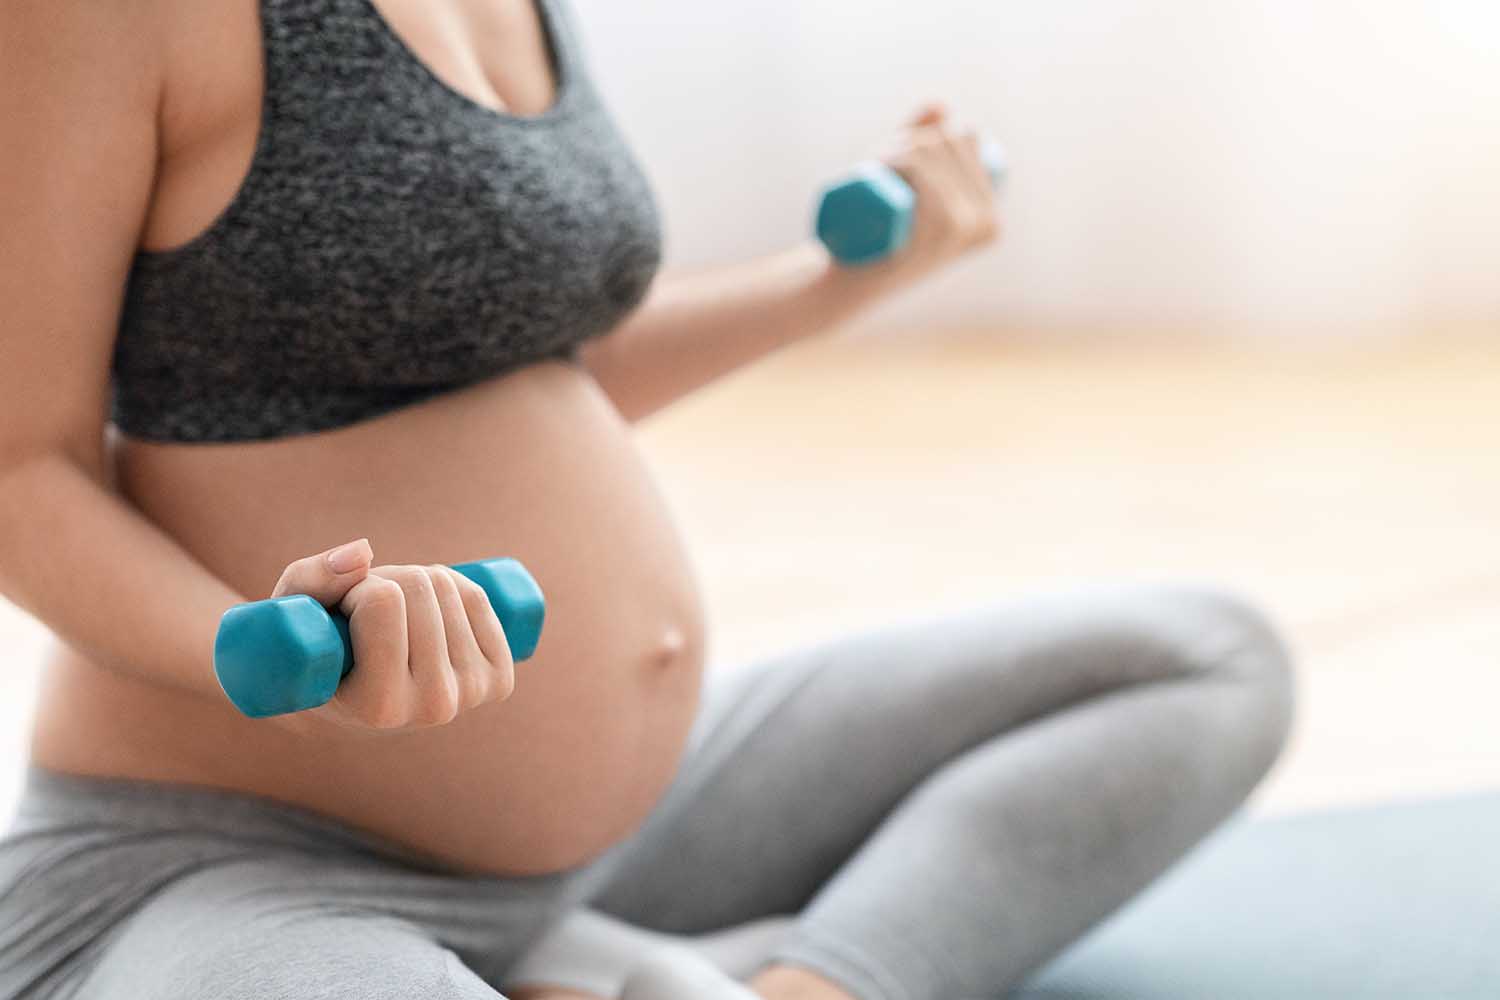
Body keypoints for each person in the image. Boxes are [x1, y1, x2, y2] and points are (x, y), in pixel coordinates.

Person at [0, 1, 1296, 998]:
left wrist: (831, 284)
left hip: (615, 835)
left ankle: (786, 984)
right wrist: (257, 656)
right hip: (233, 864)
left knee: (1203, 660)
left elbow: (528, 363)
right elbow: (21, 468)